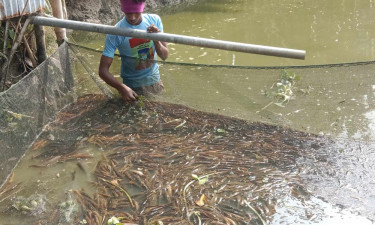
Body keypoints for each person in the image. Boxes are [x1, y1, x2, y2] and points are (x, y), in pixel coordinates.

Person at [99, 0, 169, 104]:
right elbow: (103, 71)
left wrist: (155, 39)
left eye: (136, 12)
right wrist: (121, 88)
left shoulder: (154, 20)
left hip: (155, 83)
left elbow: (164, 56)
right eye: (128, 13)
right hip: (131, 88)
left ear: (143, 8)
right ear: (122, 10)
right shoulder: (116, 32)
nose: (132, 17)